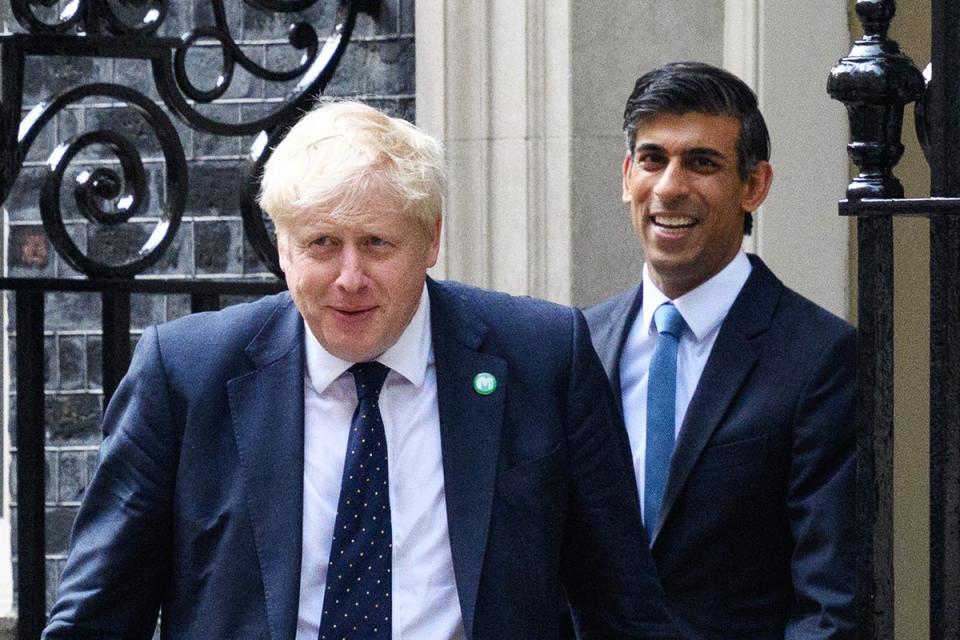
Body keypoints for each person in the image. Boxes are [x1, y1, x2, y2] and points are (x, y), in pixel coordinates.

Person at [42, 101, 677, 639]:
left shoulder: (543, 357)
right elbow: (96, 617)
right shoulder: (184, 375)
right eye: (321, 244)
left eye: (377, 242)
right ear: (284, 248)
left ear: (430, 240)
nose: (350, 278)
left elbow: (624, 608)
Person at [584, 62, 856, 639]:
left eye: (701, 163)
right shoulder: (578, 345)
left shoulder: (820, 358)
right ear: (628, 175)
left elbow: (830, 602)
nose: (670, 186)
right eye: (653, 159)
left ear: (754, 186)